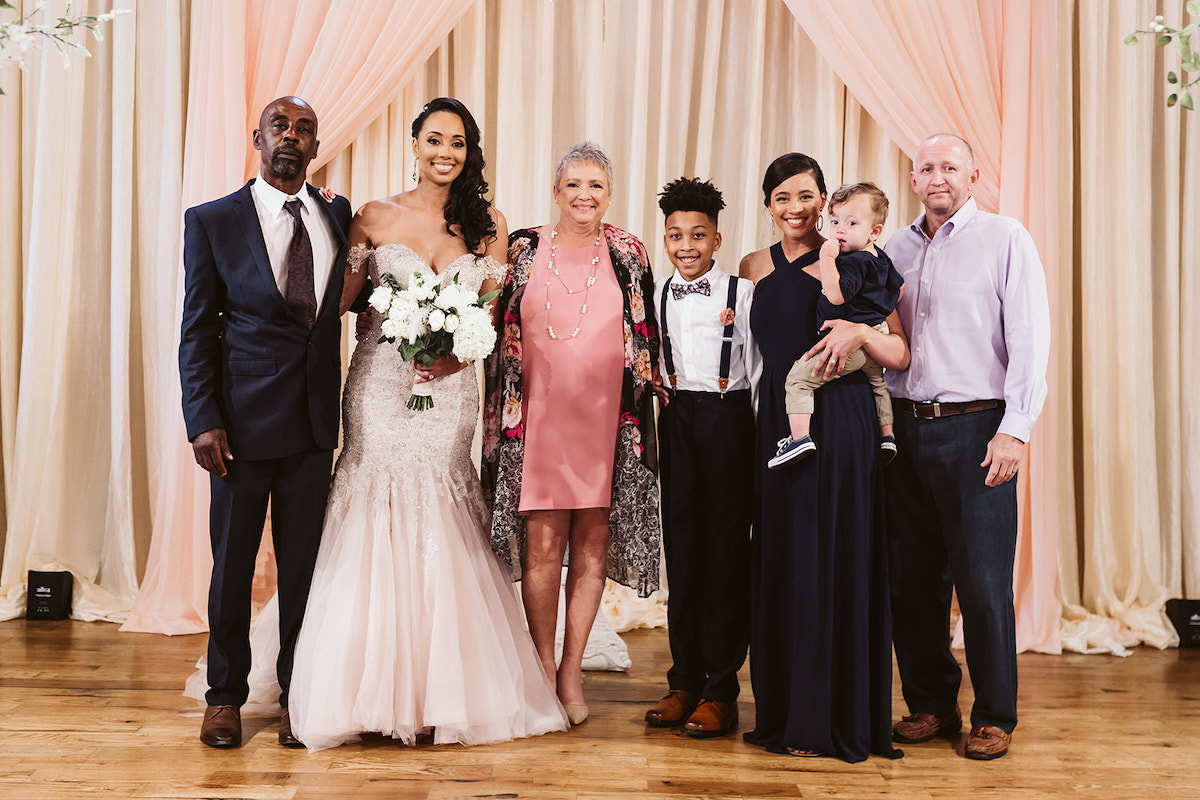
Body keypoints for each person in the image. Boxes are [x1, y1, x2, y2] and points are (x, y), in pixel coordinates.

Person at [256, 98, 568, 751]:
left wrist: (452, 358)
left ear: (468, 150)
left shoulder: (488, 225)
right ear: (415, 143)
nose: (444, 152)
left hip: (448, 391)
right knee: (370, 505)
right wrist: (330, 239)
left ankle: (438, 690)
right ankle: (356, 691)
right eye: (434, 140)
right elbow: (339, 305)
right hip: (379, 385)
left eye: (457, 142)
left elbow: (486, 320)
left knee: (440, 512)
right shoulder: (372, 214)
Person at [179, 96, 353, 748]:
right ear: (257, 137)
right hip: (238, 431)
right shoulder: (213, 221)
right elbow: (196, 330)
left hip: (311, 427)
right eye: (279, 125)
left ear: (315, 146)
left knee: (305, 571)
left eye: (303, 129)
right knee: (232, 569)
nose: (291, 136)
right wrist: (203, 420)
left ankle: (297, 696)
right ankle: (224, 698)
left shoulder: (336, 213)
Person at [878, 133, 1049, 760]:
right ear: (914, 179)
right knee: (912, 581)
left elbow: (1030, 338)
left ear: (972, 176)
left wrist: (1016, 428)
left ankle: (995, 713)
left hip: (979, 428)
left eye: (950, 166)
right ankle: (930, 703)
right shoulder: (893, 247)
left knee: (981, 581)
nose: (938, 176)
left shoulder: (1006, 239)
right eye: (927, 168)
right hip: (903, 429)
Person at [483, 142, 661, 726]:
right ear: (556, 192)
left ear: (609, 195)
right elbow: (492, 324)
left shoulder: (630, 252)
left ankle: (570, 670)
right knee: (542, 546)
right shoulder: (524, 248)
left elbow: (647, 335)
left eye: (597, 187)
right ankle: (538, 666)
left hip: (610, 423)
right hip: (536, 421)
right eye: (574, 185)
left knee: (591, 545)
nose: (585, 196)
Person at [739, 153, 906, 763]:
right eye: (781, 197)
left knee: (834, 554)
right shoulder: (753, 266)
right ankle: (786, 711)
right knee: (787, 558)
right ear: (768, 205)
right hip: (778, 429)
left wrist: (861, 334)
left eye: (806, 196)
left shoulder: (858, 263)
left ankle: (835, 716)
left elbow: (899, 352)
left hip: (840, 424)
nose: (795, 209)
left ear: (824, 201)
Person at [642, 178, 758, 738]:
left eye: (697, 235)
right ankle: (684, 678)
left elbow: (759, 372)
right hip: (679, 419)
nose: (685, 246)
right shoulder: (658, 293)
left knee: (727, 553)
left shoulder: (744, 292)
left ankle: (722, 689)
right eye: (674, 235)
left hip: (729, 418)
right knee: (683, 548)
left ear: (716, 239)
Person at [768, 182, 903, 469]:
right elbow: (898, 290)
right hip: (876, 334)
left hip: (848, 343)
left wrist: (826, 258)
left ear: (875, 231)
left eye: (851, 223)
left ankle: (799, 438)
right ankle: (887, 435)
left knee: (798, 379)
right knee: (878, 383)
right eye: (835, 221)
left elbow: (836, 294)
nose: (840, 229)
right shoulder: (881, 258)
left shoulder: (852, 262)